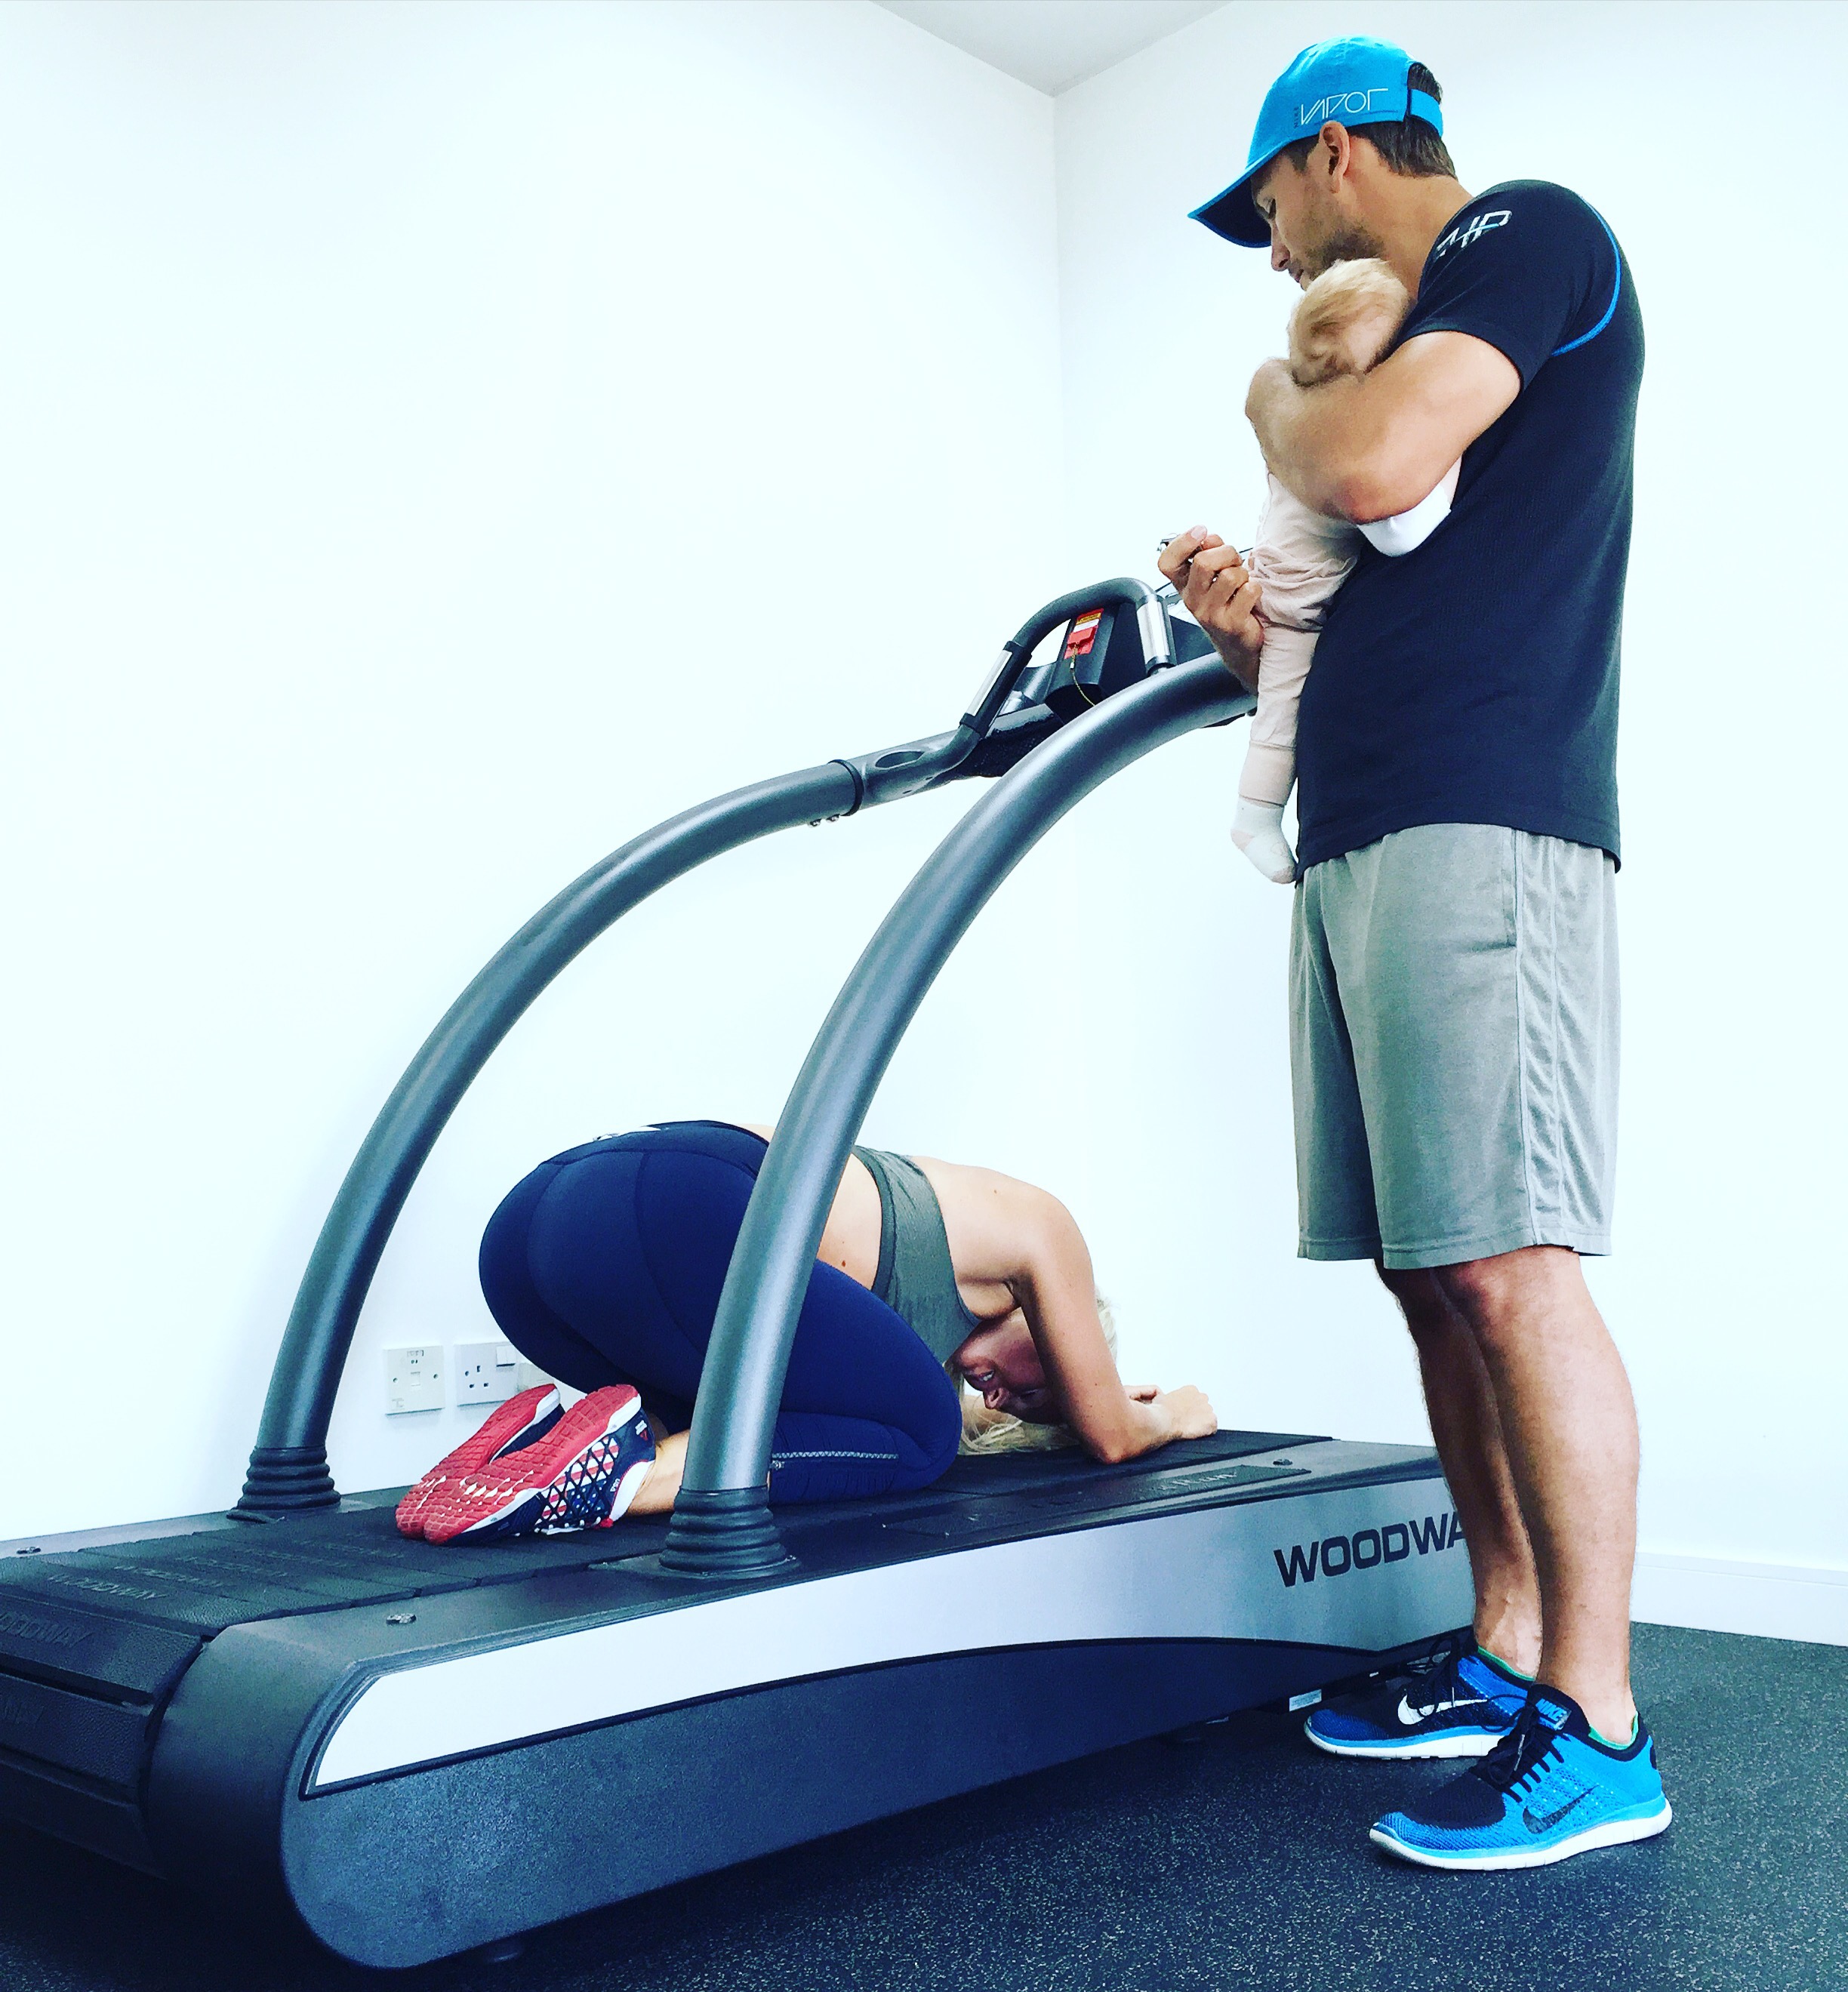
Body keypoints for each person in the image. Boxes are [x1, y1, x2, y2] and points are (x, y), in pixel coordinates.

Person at [1164, 35, 1662, 1870]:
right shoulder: (1403, 334)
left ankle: (1597, 1727)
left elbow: (1367, 456)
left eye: (1270, 212)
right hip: (1362, 826)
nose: (1275, 255)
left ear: (1333, 151)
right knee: (1429, 1267)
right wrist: (1250, 635)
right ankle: (1505, 1647)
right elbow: (1381, 557)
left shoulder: (1523, 235)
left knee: (1509, 1263)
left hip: (1484, 810)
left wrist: (1265, 403)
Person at [396, 1119, 1217, 1543]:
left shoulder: (877, 1346)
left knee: (748, 1416)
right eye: (1041, 1386)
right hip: (674, 1199)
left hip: (534, 1241)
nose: (1005, 1398)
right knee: (926, 1435)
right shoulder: (1042, 1227)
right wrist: (1170, 1411)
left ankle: (512, 1465)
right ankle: (587, 1483)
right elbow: (1112, 1436)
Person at [1234, 256, 1461, 883]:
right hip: (1294, 602)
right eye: (1381, 367)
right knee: (1279, 716)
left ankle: (1255, 814)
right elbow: (1398, 530)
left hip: (1296, 580)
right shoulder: (1339, 448)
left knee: (1282, 708)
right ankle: (1254, 815)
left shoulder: (1309, 417)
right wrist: (1447, 452)